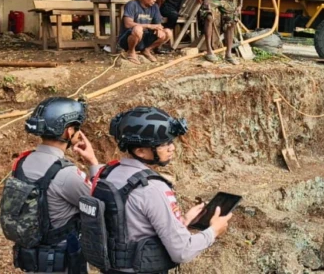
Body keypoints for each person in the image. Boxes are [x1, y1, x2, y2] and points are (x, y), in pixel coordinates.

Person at [79, 107, 232, 273]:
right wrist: (213, 231)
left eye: (171, 141)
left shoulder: (106, 173)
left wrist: (184, 221)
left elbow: (127, 224)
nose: (172, 148)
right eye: (164, 144)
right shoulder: (152, 188)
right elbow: (182, 252)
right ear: (141, 151)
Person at [0, 97, 101, 273]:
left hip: (33, 260)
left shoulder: (22, 162)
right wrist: (93, 162)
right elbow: (99, 203)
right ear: (69, 131)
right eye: (77, 128)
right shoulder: (66, 174)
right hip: (62, 263)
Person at [201, 0, 252, 64]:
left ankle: (228, 54)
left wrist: (240, 5)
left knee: (231, 22)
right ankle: (209, 51)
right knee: (209, 17)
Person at [119, 0, 172, 65]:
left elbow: (158, 24)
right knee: (138, 28)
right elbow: (128, 24)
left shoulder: (155, 7)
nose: (155, 0)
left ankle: (147, 50)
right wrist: (149, 26)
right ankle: (131, 52)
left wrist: (159, 29)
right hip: (128, 39)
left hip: (145, 38)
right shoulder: (132, 4)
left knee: (168, 32)